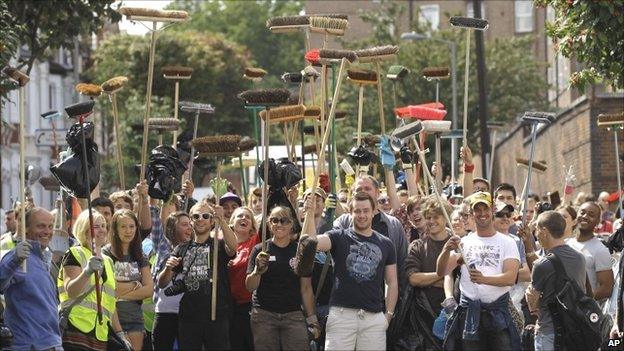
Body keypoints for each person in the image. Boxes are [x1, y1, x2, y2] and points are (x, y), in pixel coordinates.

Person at [310, 192, 398, 350]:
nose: (362, 215)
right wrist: (310, 214)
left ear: (374, 211)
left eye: (365, 210)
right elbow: (311, 243)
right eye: (357, 211)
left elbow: (392, 282)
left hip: (374, 318)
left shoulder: (386, 244)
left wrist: (388, 316)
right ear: (350, 213)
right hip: (342, 316)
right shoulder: (338, 237)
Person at [437, 191, 521, 350]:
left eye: (485, 209)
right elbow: (441, 272)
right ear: (471, 214)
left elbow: (510, 277)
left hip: (498, 315)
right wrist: (446, 250)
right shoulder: (465, 242)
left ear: (492, 210)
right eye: (477, 210)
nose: (482, 213)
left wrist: (484, 279)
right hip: (470, 316)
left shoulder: (507, 242)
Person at [158, 201, 237, 350]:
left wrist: (223, 221)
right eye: (196, 216)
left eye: (205, 216)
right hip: (189, 317)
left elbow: (233, 247)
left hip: (217, 315)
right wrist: (168, 268)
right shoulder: (181, 248)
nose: (200, 219)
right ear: (191, 220)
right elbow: (162, 283)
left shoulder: (218, 245)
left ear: (212, 220)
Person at [246, 206, 316, 350]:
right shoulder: (260, 250)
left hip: (293, 314)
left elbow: (306, 288)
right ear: (269, 224)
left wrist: (312, 319)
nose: (279, 224)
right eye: (275, 220)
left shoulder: (299, 251)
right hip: (264, 315)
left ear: (291, 224)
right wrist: (257, 271)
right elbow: (250, 287)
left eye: (284, 220)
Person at [57, 210, 129, 350]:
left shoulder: (108, 261)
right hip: (76, 326)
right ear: (84, 230)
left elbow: (110, 302)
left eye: (103, 225)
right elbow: (71, 291)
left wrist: (120, 333)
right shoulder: (75, 253)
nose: (102, 230)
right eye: (96, 226)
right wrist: (87, 272)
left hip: (100, 333)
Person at [0, 207, 62, 350]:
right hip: (28, 345)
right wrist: (14, 260)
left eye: (50, 226)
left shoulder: (42, 258)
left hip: (51, 343)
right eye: (41, 226)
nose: (47, 231)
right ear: (25, 228)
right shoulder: (16, 257)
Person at [525, 211, 586, 351]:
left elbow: (532, 305)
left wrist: (530, 293)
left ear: (544, 231)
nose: (536, 235)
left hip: (549, 332)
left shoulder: (541, 264)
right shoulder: (580, 258)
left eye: (537, 229)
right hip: (575, 329)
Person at [333, 175, 408, 290]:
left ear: (377, 193)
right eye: (358, 190)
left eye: (367, 189)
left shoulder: (393, 225)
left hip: (381, 300)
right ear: (353, 194)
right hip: (349, 297)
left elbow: (402, 262)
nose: (363, 192)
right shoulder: (342, 223)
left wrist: (398, 297)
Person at [102, 209, 153, 350]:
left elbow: (149, 290)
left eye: (132, 226)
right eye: (123, 226)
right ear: (115, 229)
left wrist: (118, 293)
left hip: (134, 320)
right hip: (110, 321)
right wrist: (134, 285)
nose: (128, 231)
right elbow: (107, 288)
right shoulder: (105, 253)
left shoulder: (140, 256)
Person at [405, 196, 453, 316]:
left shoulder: (458, 244)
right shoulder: (417, 246)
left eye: (436, 217)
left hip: (454, 313)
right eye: (428, 217)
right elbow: (414, 279)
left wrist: (428, 281)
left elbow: (461, 281)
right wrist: (441, 275)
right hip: (424, 314)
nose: (431, 221)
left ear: (446, 218)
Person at [151, 211, 192, 351]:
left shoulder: (197, 250)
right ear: (172, 230)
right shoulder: (164, 250)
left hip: (189, 314)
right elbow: (161, 283)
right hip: (165, 314)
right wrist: (169, 268)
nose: (189, 228)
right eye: (185, 225)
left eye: (190, 225)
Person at [567, 201, 614, 302]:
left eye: (591, 215)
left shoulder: (600, 250)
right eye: (582, 212)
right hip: (561, 310)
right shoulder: (566, 244)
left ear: (598, 221)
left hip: (583, 314)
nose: (585, 216)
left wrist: (582, 302)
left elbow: (607, 289)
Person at [227, 207, 259, 351]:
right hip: (228, 308)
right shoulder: (222, 244)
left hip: (250, 306)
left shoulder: (255, 242)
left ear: (252, 225)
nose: (244, 219)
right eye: (240, 216)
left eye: (248, 217)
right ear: (232, 222)